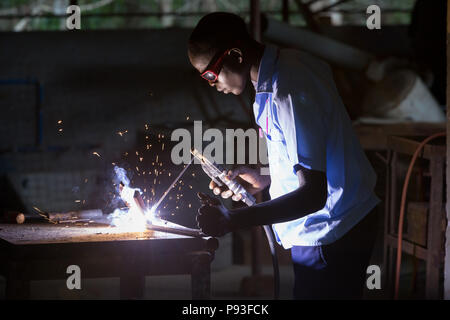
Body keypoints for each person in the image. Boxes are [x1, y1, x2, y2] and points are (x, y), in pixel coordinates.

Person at [188, 12, 380, 299]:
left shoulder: (287, 89)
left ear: (236, 55)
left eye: (210, 74)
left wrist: (232, 220)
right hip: (333, 224)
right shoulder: (278, 74)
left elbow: (313, 194)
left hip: (331, 229)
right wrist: (265, 178)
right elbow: (308, 155)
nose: (211, 84)